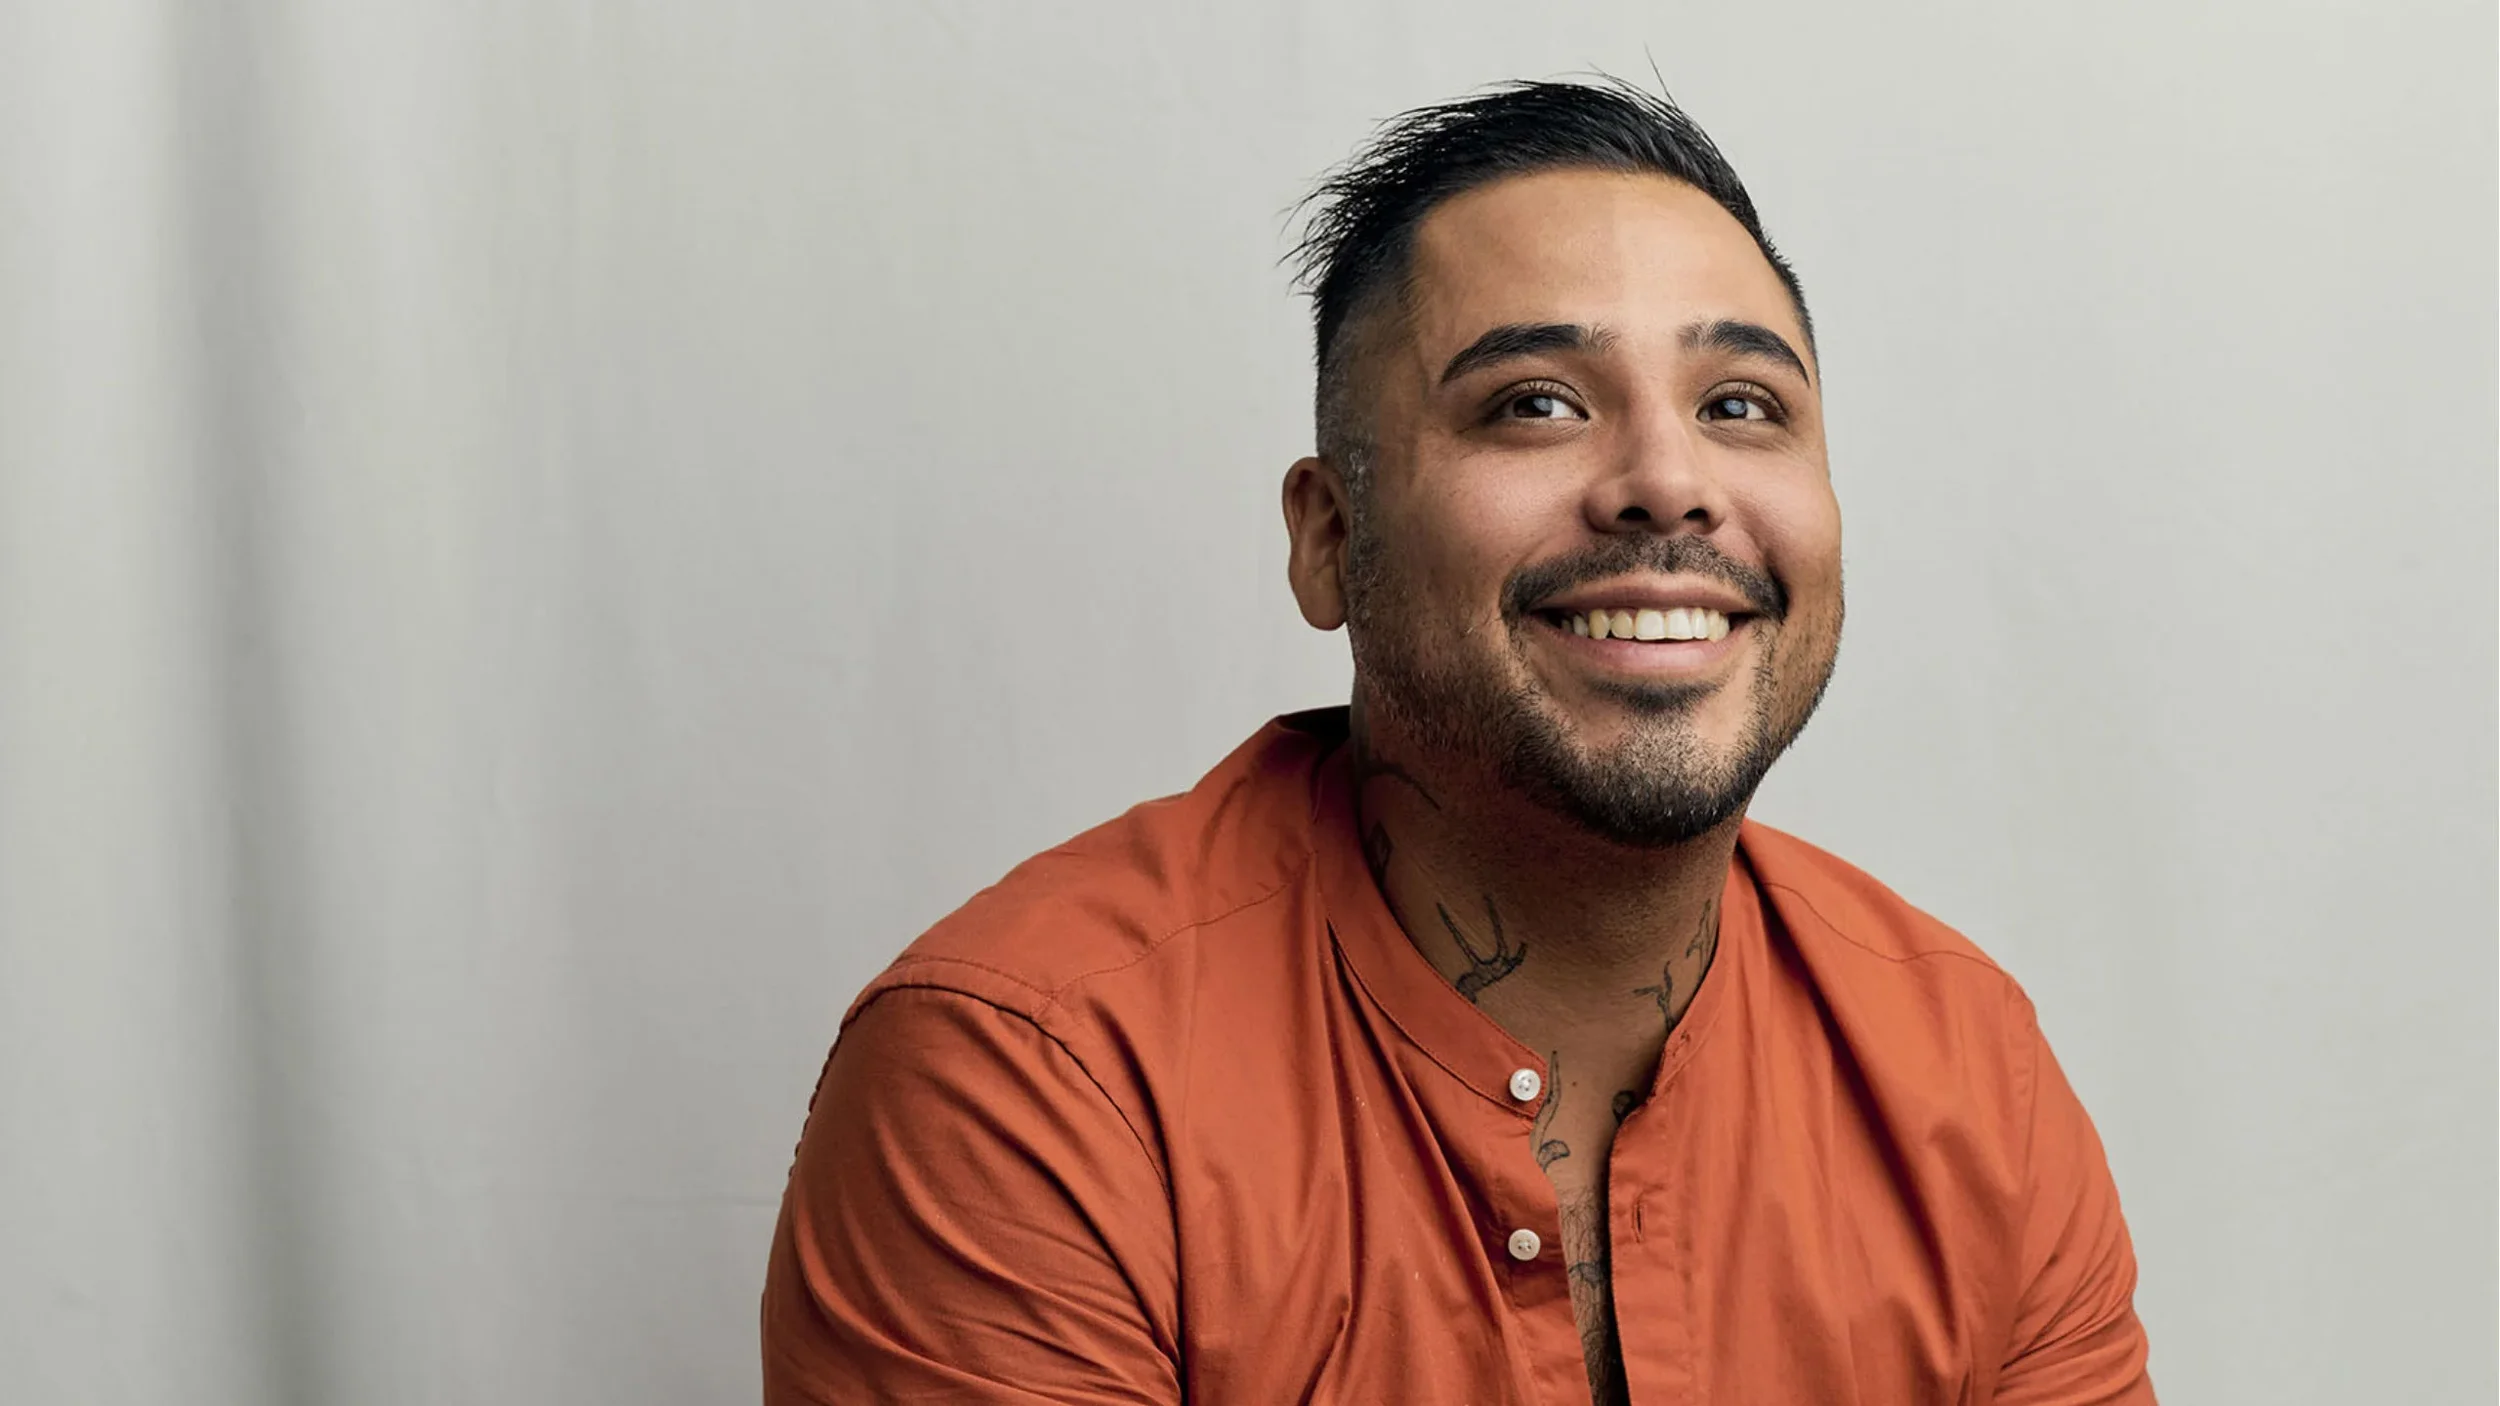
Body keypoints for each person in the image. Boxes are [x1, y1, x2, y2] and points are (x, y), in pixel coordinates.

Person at [762, 78, 2154, 1405]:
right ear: (1331, 540)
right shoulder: (1036, 1077)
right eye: (1535, 402)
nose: (1670, 482)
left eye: (1739, 405)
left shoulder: (1966, 1073)